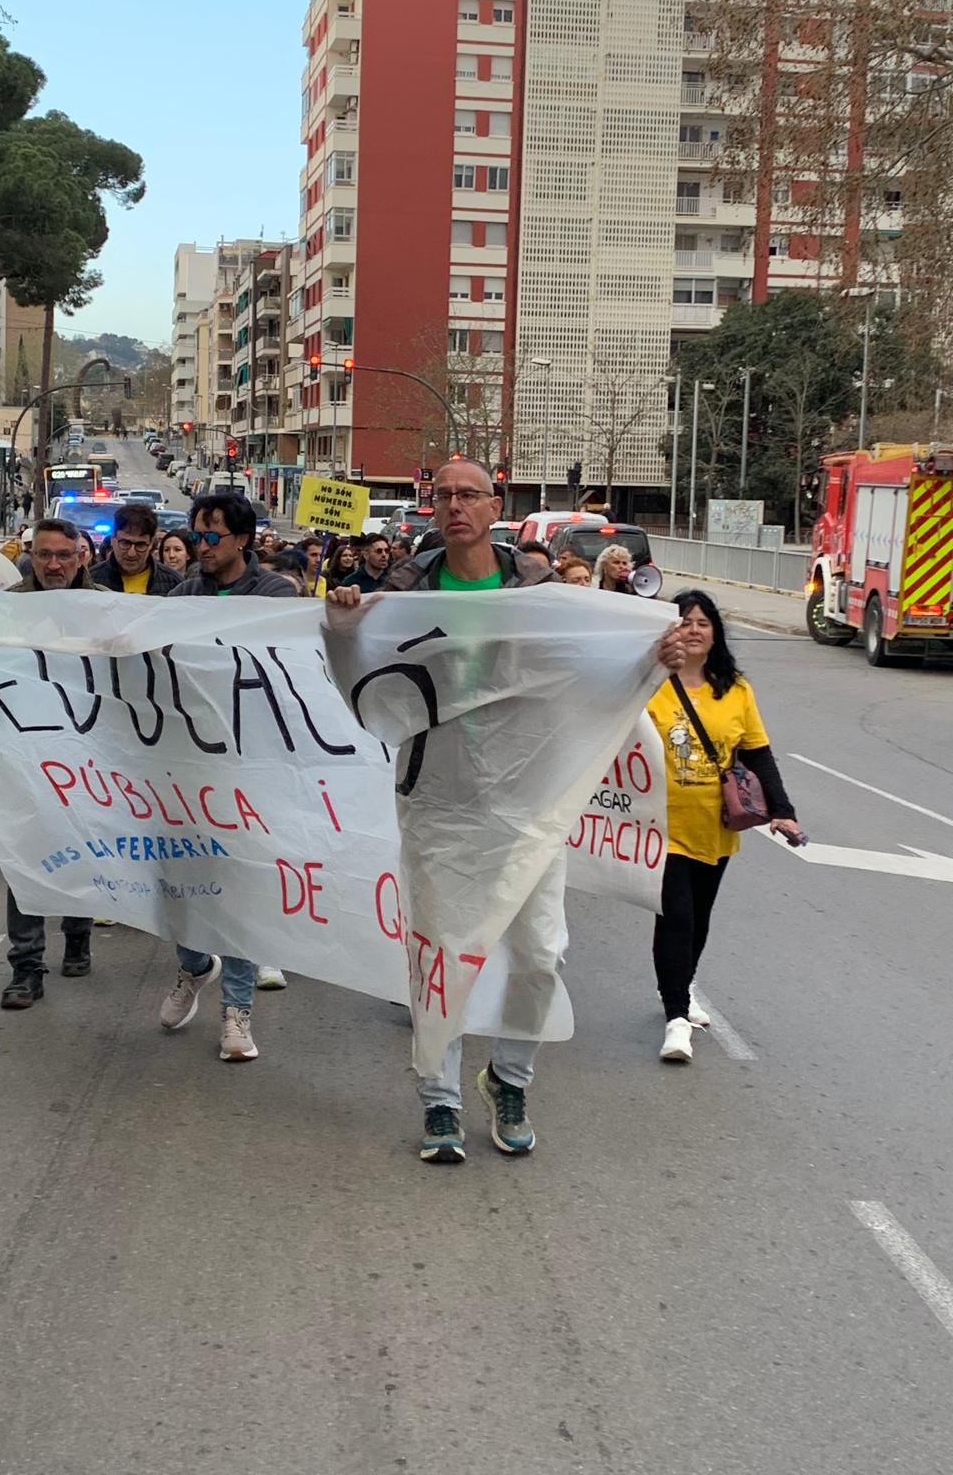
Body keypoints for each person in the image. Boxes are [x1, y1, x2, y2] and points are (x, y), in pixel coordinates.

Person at [329, 459, 684, 1164]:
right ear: (432, 510)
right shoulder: (402, 590)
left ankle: (509, 1079)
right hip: (438, 802)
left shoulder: (540, 589)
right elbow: (361, 688)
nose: (455, 506)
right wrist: (341, 629)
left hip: (529, 802)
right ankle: (440, 1100)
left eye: (469, 495)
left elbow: (588, 670)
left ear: (495, 507)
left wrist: (655, 653)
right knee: (439, 951)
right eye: (443, 496)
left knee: (540, 952)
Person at [162, 490, 296, 1056]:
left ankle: (236, 1013)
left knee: (238, 892)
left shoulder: (275, 596)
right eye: (197, 535)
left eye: (212, 535)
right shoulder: (185, 593)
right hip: (185, 766)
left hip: (250, 770)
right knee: (175, 887)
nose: (201, 546)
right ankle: (193, 966)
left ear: (242, 540)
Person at [647, 591, 799, 1063]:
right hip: (659, 823)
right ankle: (676, 1019)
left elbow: (757, 753)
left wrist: (783, 809)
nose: (694, 630)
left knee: (700, 915)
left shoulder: (735, 689)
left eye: (703, 623)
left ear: (716, 632)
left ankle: (681, 985)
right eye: (685, 622)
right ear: (670, 631)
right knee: (676, 914)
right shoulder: (649, 681)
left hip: (715, 823)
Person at [0, 519, 110, 1009]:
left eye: (64, 554)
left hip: (87, 756)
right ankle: (26, 966)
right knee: (23, 855)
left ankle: (79, 932)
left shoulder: (105, 605)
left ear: (81, 556)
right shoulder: (6, 608)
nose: (53, 564)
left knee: (81, 852)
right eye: (44, 554)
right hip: (24, 753)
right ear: (31, 555)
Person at [91, 502, 182, 595]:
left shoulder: (173, 583)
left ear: (151, 543)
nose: (131, 553)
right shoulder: (90, 580)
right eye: (125, 543)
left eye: (140, 545)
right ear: (112, 539)